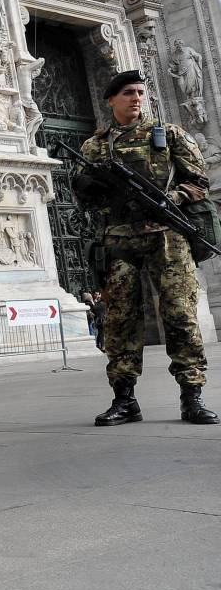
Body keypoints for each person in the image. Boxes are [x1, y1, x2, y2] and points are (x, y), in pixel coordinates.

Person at [74, 70, 218, 426]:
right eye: (128, 93)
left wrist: (172, 198)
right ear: (112, 100)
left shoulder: (169, 135)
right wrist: (92, 185)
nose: (136, 98)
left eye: (140, 92)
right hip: (118, 240)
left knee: (181, 317)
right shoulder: (94, 145)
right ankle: (124, 399)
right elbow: (82, 196)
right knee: (120, 320)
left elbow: (199, 182)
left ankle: (192, 396)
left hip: (167, 237)